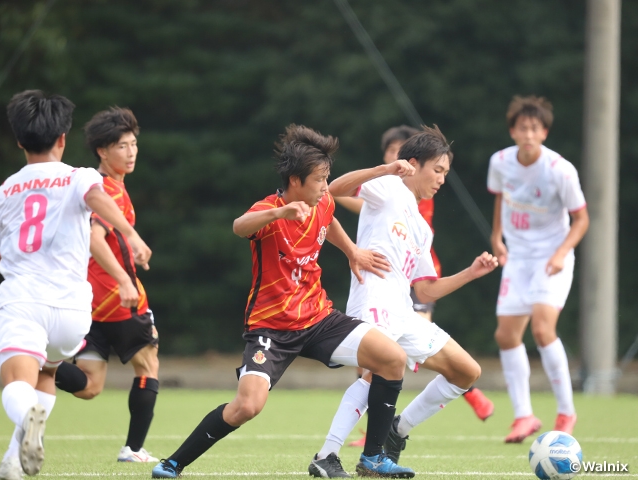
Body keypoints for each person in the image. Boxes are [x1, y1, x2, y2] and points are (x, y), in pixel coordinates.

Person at [151, 124, 415, 479]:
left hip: (318, 318)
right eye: (320, 179)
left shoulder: (319, 202)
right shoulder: (271, 209)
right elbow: (239, 226)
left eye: (326, 178)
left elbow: (330, 217)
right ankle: (173, 463)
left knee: (393, 359)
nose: (325, 186)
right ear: (295, 180)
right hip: (271, 328)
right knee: (247, 406)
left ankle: (372, 459)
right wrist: (279, 214)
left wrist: (353, 251)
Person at [310, 126, 499, 476]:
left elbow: (425, 291)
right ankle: (326, 455)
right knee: (373, 375)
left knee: (466, 372)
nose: (442, 179)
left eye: (446, 173)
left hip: (404, 310)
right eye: (437, 170)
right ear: (413, 164)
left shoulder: (422, 226)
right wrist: (385, 168)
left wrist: (471, 272)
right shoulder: (388, 187)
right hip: (373, 301)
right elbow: (332, 192)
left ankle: (397, 430)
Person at [0, 90, 151, 480]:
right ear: (62, 139)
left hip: (24, 300)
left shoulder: (4, 192)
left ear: (19, 140)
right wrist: (131, 236)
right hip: (71, 312)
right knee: (47, 373)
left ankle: (25, 417)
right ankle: (12, 463)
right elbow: (97, 198)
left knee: (18, 381)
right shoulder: (79, 175)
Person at [53, 107, 160, 463]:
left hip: (89, 300)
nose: (130, 152)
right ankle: (132, 449)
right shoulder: (106, 190)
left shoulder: (100, 187)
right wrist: (123, 279)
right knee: (148, 365)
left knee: (89, 386)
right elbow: (94, 238)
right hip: (116, 299)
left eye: (133, 144)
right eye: (121, 146)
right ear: (102, 151)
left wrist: (130, 254)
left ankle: (38, 363)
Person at [487, 96, 589, 443]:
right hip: (518, 258)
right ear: (513, 130)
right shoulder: (499, 162)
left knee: (544, 330)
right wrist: (497, 236)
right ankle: (524, 415)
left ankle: (566, 412)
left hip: (551, 257)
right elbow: (500, 197)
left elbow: (581, 219)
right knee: (506, 335)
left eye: (535, 128)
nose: (528, 134)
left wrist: (562, 252)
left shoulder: (560, 170)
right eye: (522, 127)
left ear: (544, 132)